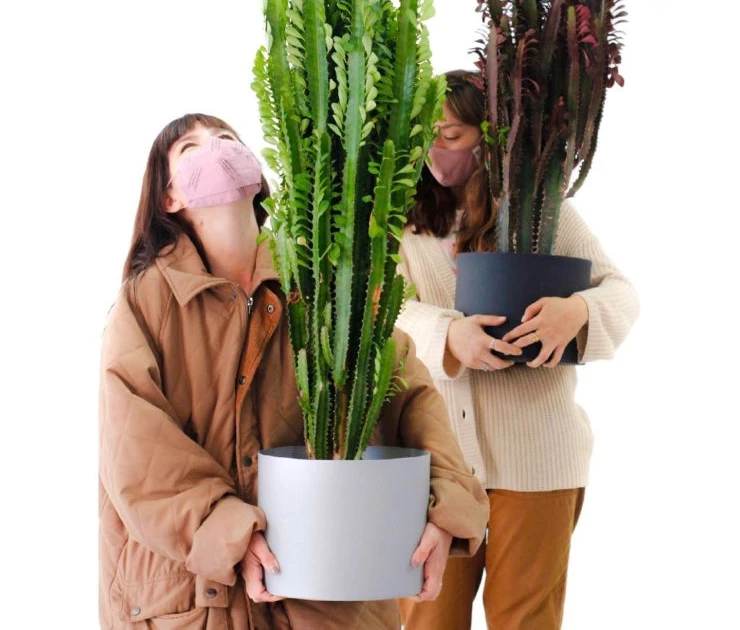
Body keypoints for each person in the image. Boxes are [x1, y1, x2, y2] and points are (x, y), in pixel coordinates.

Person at [98, 113, 489, 630]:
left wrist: (447, 509)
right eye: (191, 147)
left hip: (328, 597)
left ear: (255, 173)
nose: (215, 148)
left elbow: (410, 393)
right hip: (193, 602)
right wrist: (227, 531)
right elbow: (136, 451)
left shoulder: (324, 281)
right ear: (168, 197)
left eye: (226, 139)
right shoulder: (146, 303)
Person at [396, 71, 640, 630]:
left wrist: (577, 312)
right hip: (435, 466)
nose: (436, 150)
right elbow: (385, 314)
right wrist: (448, 334)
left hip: (539, 460)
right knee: (428, 620)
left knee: (525, 620)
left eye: (451, 135)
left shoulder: (542, 213)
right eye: (425, 135)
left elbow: (621, 293)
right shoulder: (399, 222)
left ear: (487, 137)